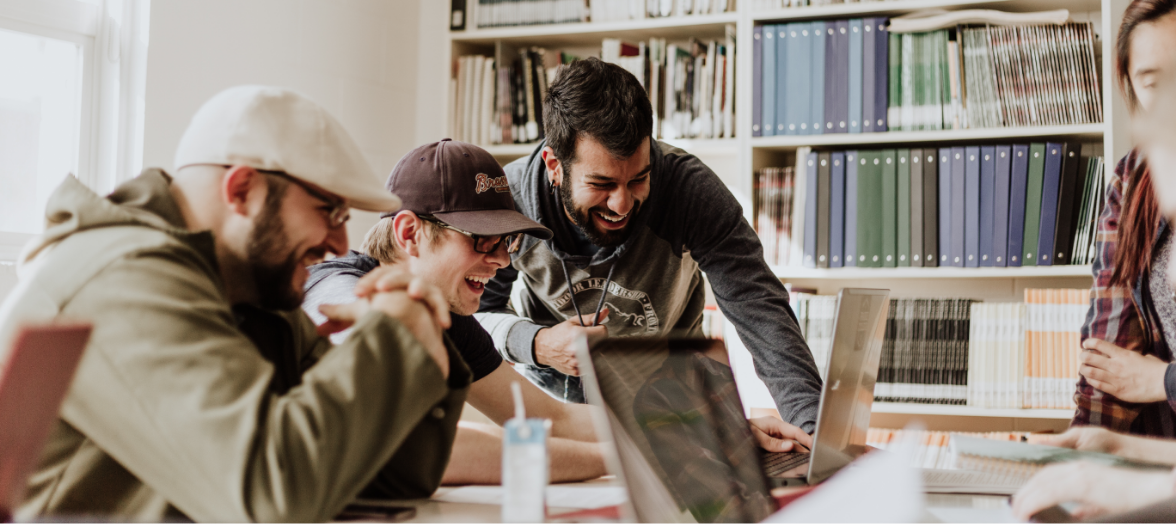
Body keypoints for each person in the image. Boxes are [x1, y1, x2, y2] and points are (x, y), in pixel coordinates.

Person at [0, 86, 469, 522]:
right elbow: (270, 497)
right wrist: (392, 339)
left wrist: (422, 338)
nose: (340, 242)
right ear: (242, 190)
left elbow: (387, 479)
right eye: (329, 211)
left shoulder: (251, 290)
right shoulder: (123, 278)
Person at [474, 57, 822, 441]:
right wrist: (536, 343)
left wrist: (814, 433)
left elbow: (760, 309)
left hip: (673, 399)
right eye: (602, 184)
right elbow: (474, 315)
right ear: (554, 165)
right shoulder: (510, 199)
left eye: (638, 179)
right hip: (555, 408)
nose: (622, 204)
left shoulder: (690, 190)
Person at [1074, 0, 1176, 438]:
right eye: (1154, 83)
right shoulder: (1135, 178)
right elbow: (1109, 357)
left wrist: (1161, 380)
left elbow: (1143, 378)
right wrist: (1083, 446)